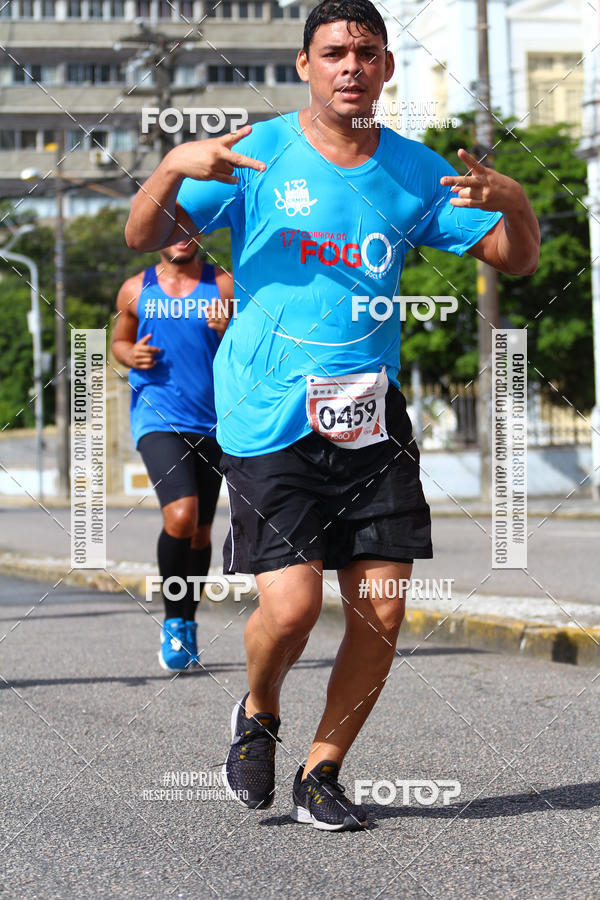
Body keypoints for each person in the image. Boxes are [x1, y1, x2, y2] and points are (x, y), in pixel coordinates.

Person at [124, 0, 539, 830]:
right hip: (267, 413)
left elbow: (515, 258)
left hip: (368, 417)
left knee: (382, 608)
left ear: (386, 68)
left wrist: (517, 199)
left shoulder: (418, 171)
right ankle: (259, 713)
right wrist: (173, 166)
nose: (351, 65)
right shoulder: (256, 155)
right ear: (306, 65)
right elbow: (143, 234)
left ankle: (323, 770)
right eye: (334, 52)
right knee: (291, 608)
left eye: (367, 52)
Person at [111, 239, 233, 672]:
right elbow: (120, 342)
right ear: (154, 236)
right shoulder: (135, 289)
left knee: (200, 533)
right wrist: (130, 355)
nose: (180, 236)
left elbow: (256, 345)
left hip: (214, 423)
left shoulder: (223, 286)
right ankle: (172, 621)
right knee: (180, 516)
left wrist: (229, 329)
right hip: (157, 418)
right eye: (169, 227)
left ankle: (189, 620)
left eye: (187, 227)